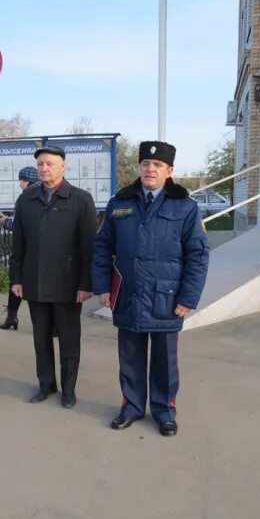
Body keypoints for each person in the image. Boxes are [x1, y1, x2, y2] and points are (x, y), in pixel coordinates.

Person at [92, 141, 209, 436]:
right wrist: (103, 286)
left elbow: (197, 255)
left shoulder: (186, 207)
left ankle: (164, 411)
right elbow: (103, 246)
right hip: (128, 293)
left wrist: (188, 297)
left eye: (157, 165)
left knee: (164, 361)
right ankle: (131, 407)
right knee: (129, 357)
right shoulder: (120, 203)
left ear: (169, 171)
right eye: (145, 163)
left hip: (166, 298)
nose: (150, 169)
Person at [10, 145, 97, 408]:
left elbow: (88, 246)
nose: (44, 168)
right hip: (35, 283)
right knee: (41, 338)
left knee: (69, 340)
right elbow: (18, 245)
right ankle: (46, 385)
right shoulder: (27, 200)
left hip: (68, 285)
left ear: (63, 166)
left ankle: (68, 389)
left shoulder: (80, 199)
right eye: (40, 165)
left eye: (49, 163)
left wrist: (85, 284)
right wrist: (16, 279)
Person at [0, 165, 38, 330]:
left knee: (17, 282)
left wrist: (5, 221)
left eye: (20, 181)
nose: (19, 184)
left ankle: (12, 317)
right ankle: (54, 326)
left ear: (26, 181)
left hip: (26, 250)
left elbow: (21, 224)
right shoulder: (47, 194)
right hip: (45, 251)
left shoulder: (27, 197)